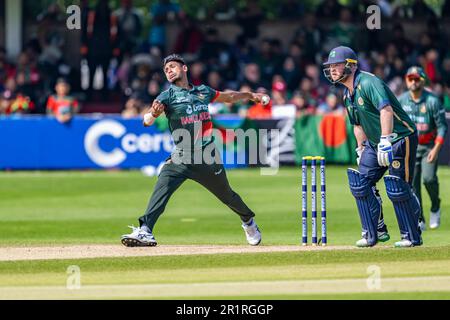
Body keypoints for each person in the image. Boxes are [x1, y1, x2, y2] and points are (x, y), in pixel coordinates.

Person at [121, 54, 268, 247]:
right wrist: (153, 114)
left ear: (184, 69)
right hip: (181, 156)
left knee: (227, 196)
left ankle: (248, 221)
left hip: (207, 155)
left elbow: (229, 96)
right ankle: (146, 230)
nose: (169, 71)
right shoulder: (167, 96)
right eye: (166, 70)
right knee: (162, 185)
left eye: (172, 66)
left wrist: (250, 96)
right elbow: (147, 120)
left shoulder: (202, 91)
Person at [323, 46, 422, 248]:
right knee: (360, 182)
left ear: (351, 66)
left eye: (337, 65)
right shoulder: (347, 94)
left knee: (397, 186)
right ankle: (374, 231)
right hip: (375, 143)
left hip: (401, 137)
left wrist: (386, 140)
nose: (332, 69)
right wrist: (361, 150)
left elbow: (385, 110)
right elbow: (357, 124)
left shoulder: (369, 82)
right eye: (330, 66)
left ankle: (411, 235)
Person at [398, 66, 448, 230]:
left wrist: (436, 149)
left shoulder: (432, 101)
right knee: (412, 185)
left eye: (417, 79)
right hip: (410, 148)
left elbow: (442, 127)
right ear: (406, 80)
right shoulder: (402, 100)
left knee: (428, 179)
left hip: (428, 146)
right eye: (410, 78)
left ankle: (435, 207)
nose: (413, 82)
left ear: (423, 80)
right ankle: (419, 218)